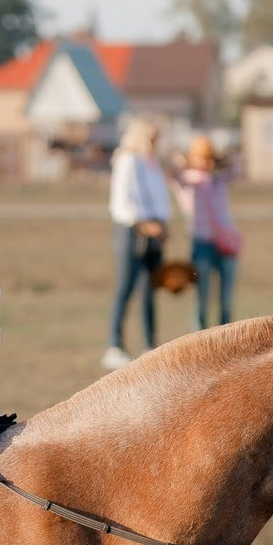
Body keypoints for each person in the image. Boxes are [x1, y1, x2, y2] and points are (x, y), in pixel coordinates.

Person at [103, 118, 172, 370]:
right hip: (133, 230)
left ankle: (150, 345)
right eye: (152, 138)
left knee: (149, 289)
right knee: (125, 287)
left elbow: (158, 196)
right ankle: (114, 345)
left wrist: (164, 223)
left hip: (155, 230)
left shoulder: (151, 162)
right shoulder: (128, 160)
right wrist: (146, 225)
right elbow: (124, 201)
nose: (156, 143)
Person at [171, 134, 242, 330]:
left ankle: (226, 336)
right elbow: (174, 176)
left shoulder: (218, 181)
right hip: (202, 242)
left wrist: (224, 157)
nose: (208, 162)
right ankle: (199, 334)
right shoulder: (189, 181)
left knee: (226, 297)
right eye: (203, 157)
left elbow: (237, 168)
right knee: (202, 297)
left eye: (210, 158)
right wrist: (183, 162)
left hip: (225, 242)